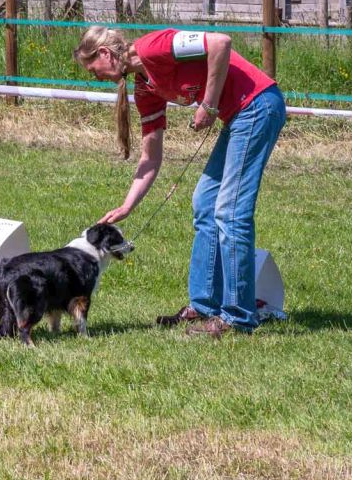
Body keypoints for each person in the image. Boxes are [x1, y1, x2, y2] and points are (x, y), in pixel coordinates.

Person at [74, 25, 286, 337]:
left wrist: (209, 104)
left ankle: (237, 317)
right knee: (204, 202)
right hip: (239, 115)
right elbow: (151, 158)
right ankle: (203, 306)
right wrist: (126, 206)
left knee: (229, 212)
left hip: (258, 105)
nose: (97, 78)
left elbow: (220, 43)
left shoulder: (153, 47)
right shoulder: (145, 88)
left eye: (94, 70)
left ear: (105, 53)